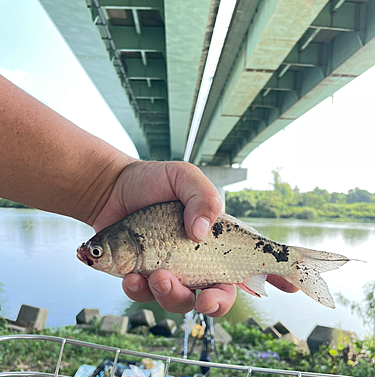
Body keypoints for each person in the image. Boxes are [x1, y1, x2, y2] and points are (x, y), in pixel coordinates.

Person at [0, 75, 297, 316]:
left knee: (172, 288)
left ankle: (289, 262)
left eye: (97, 252)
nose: (92, 255)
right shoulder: (131, 225)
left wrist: (109, 183)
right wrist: (107, 183)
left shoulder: (134, 222)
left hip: (236, 247)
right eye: (96, 252)